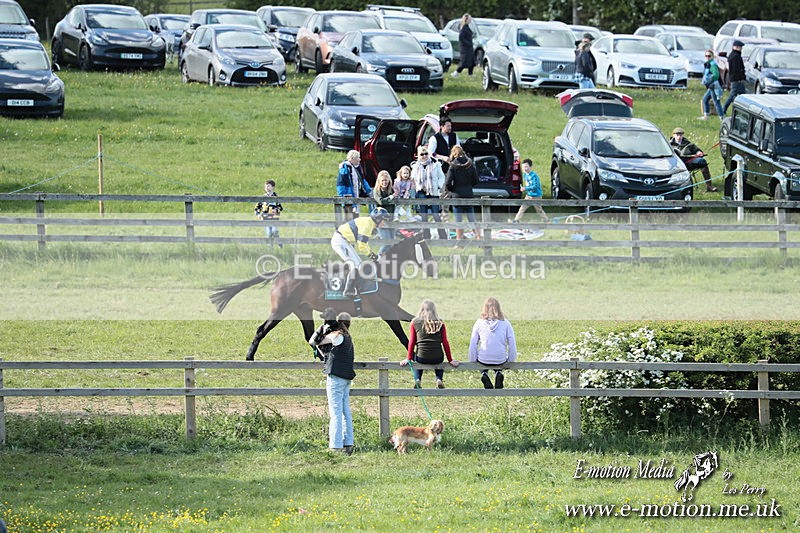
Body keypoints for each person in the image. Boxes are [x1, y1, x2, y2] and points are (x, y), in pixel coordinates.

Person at [331, 207, 391, 296]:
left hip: (343, 240)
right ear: (377, 219)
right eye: (383, 220)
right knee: (354, 264)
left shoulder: (369, 223)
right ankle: (348, 291)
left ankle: (353, 287)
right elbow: (362, 247)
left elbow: (364, 245)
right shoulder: (367, 225)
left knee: (358, 264)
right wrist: (374, 257)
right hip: (340, 241)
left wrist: (373, 255)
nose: (385, 222)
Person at [401, 299, 459, 389]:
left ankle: (417, 380)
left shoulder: (415, 322)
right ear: (434, 310)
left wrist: (408, 358)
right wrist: (450, 359)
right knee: (439, 360)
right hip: (437, 357)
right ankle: (439, 379)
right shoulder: (440, 323)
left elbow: (412, 342)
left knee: (416, 359)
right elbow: (445, 342)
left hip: (421, 357)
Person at [322, 311, 355, 454]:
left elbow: (315, 341)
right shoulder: (348, 338)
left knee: (335, 413)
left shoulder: (336, 336)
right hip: (346, 377)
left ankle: (335, 445)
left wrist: (324, 327)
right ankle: (348, 443)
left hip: (336, 376)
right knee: (345, 411)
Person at [468, 297, 517, 389]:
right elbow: (512, 342)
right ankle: (498, 372)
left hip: (484, 359)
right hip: (500, 359)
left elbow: (473, 342)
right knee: (497, 357)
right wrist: (511, 360)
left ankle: (484, 373)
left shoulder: (479, 322)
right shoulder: (506, 323)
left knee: (484, 357)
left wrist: (472, 360)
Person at [444, 145, 482, 246]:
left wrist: (453, 190)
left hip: (457, 195)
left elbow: (448, 183)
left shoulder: (453, 166)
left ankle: (459, 242)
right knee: (472, 219)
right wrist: (469, 186)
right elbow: (476, 180)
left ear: (454, 153)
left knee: (458, 220)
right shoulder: (470, 164)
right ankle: (479, 239)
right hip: (468, 194)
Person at [411, 144, 448, 239]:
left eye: (426, 154)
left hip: (433, 192)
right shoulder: (415, 166)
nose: (424, 156)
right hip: (421, 192)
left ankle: (443, 237)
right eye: (422, 154)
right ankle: (426, 236)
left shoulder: (436, 164)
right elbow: (413, 179)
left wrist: (438, 186)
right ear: (418, 155)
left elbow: (442, 177)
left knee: (436, 215)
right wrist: (418, 188)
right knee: (424, 216)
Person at [669, 127, 718, 192]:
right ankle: (669, 187)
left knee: (702, 161)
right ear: (673, 135)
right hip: (675, 164)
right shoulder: (668, 144)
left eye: (680, 135)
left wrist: (699, 153)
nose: (679, 137)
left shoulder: (688, 144)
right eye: (677, 135)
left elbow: (697, 150)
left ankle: (709, 186)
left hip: (688, 162)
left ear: (683, 135)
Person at [336, 150, 371, 221]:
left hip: (356, 196)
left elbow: (362, 180)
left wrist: (368, 191)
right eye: (358, 157)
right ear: (352, 158)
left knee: (356, 218)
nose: (360, 159)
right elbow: (341, 184)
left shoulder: (357, 168)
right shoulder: (345, 168)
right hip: (348, 198)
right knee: (349, 219)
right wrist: (342, 198)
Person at [512, 158, 548, 223]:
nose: (525, 169)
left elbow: (535, 186)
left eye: (526, 167)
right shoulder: (525, 175)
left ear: (530, 167)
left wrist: (525, 188)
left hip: (536, 195)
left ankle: (545, 220)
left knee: (539, 209)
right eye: (523, 167)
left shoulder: (534, 176)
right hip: (529, 195)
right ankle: (516, 219)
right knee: (522, 207)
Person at [372, 170, 395, 254]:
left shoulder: (391, 190)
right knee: (386, 243)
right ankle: (376, 261)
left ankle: (387, 263)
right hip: (381, 220)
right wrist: (391, 197)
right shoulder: (377, 191)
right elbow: (381, 201)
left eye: (386, 180)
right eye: (382, 180)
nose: (384, 182)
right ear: (379, 181)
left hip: (391, 219)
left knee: (392, 243)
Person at [254, 179, 283, 247]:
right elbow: (257, 208)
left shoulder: (276, 197)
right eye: (265, 186)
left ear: (273, 187)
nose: (266, 187)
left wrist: (276, 210)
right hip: (265, 218)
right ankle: (270, 247)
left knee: (274, 231)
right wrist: (258, 215)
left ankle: (278, 241)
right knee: (268, 233)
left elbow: (280, 207)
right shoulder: (263, 197)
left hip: (274, 218)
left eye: (268, 186)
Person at [699, 49, 724, 120]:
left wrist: (710, 81)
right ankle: (706, 116)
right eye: (706, 56)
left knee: (716, 102)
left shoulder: (712, 65)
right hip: (711, 86)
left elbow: (716, 75)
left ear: (712, 56)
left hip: (713, 86)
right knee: (705, 99)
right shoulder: (708, 64)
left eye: (709, 56)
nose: (707, 57)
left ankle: (722, 117)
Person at [722, 40, 745, 115]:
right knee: (732, 95)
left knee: (741, 96)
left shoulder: (733, 55)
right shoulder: (735, 56)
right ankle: (723, 110)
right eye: (740, 47)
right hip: (736, 79)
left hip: (736, 79)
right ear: (736, 47)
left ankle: (741, 111)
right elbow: (736, 69)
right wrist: (739, 78)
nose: (741, 48)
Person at [451, 13, 475, 77]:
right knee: (464, 62)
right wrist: (468, 43)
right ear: (466, 19)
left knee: (471, 61)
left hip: (469, 47)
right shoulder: (463, 27)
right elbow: (461, 38)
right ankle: (455, 73)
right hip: (465, 48)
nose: (470, 20)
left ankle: (470, 74)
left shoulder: (467, 27)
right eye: (469, 19)